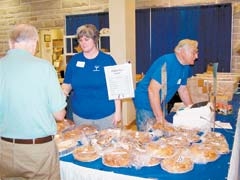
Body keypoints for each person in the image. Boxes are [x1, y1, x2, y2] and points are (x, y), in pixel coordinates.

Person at [0, 24, 67, 179]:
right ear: (34, 43)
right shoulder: (44, 67)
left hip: (4, 149)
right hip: (37, 151)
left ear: (11, 43)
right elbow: (59, 115)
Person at [62, 24, 121, 130]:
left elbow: (116, 88)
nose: (83, 43)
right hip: (80, 117)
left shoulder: (107, 60)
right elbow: (67, 85)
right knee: (84, 146)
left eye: (86, 39)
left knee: (107, 145)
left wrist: (118, 112)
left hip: (106, 116)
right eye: (80, 40)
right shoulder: (74, 61)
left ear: (95, 39)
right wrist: (60, 98)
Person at [134, 39, 198, 131]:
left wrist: (192, 110)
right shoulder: (168, 62)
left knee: (161, 133)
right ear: (181, 51)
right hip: (146, 102)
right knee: (149, 136)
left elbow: (183, 90)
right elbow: (152, 90)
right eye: (194, 53)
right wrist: (160, 118)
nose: (196, 56)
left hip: (160, 102)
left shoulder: (185, 66)